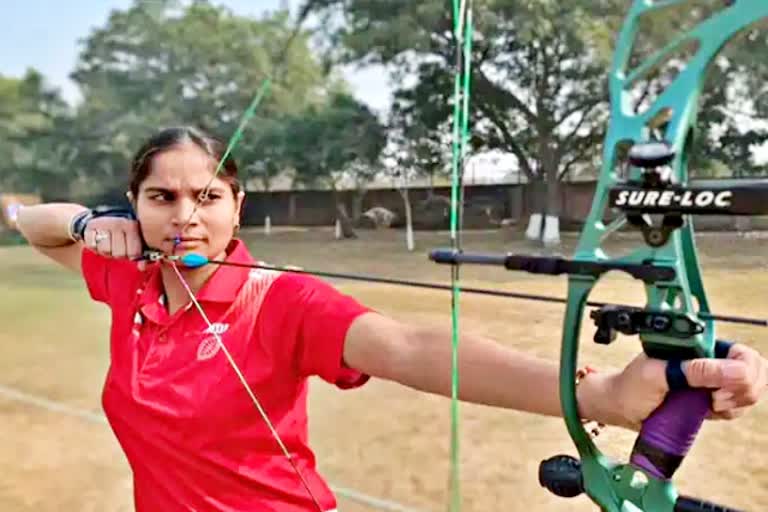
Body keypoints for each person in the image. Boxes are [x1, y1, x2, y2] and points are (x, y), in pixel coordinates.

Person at [16, 126, 768, 512]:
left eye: (207, 197)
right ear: (136, 206)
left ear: (238, 206)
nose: (186, 216)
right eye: (162, 198)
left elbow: (407, 347)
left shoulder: (276, 298)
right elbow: (24, 218)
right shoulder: (127, 279)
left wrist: (601, 398)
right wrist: (88, 223)